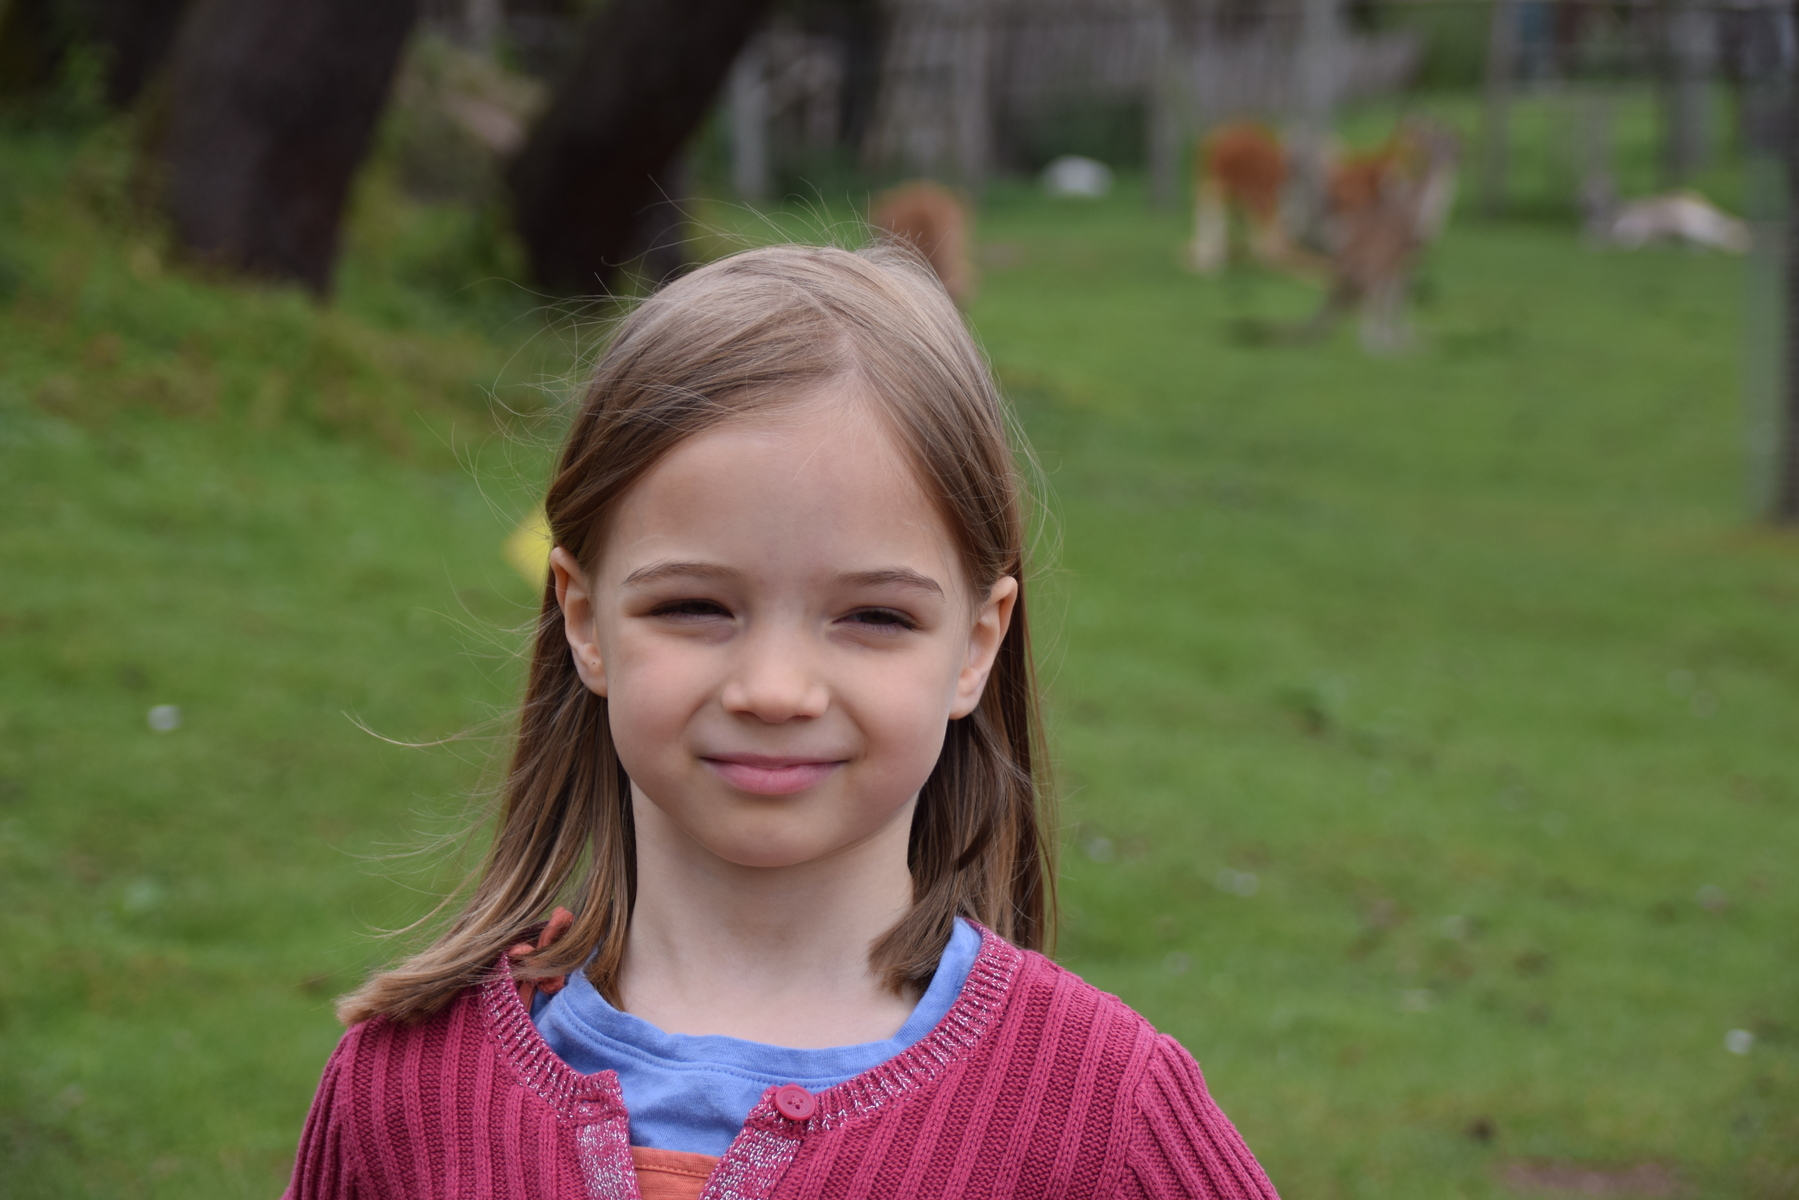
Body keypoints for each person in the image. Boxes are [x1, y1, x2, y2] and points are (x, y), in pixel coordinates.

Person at [284, 243, 1279, 1200]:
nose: (774, 689)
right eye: (695, 606)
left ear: (977, 646)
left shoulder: (1102, 1110)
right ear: (585, 620)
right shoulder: (401, 1087)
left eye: (874, 617)